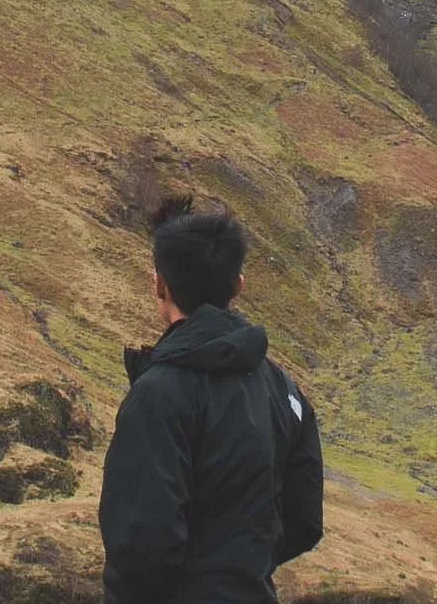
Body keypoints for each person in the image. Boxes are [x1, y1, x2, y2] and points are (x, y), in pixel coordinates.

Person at [98, 196, 324, 603]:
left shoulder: (156, 396)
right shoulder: (285, 390)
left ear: (159, 284)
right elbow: (304, 519)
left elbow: (140, 544)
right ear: (238, 285)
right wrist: (239, 567)